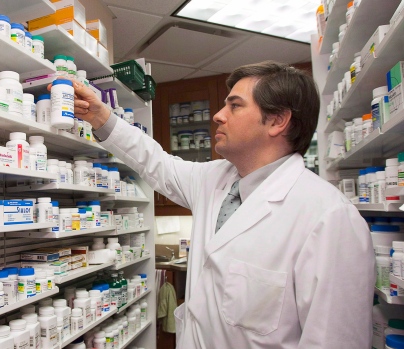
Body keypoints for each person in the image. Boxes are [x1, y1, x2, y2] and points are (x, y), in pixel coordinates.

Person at [67, 61, 375, 348]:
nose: (218, 115)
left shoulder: (328, 218)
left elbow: (334, 340)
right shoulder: (214, 179)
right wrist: (100, 117)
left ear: (278, 121)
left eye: (235, 105)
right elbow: (155, 162)